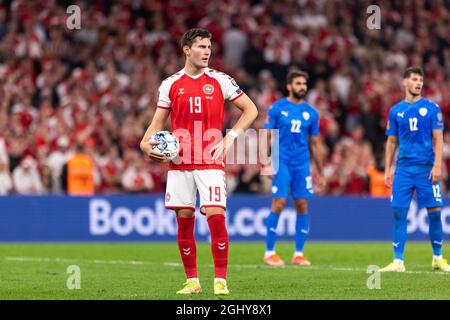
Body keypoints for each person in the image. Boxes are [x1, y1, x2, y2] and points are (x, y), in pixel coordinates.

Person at [140, 28, 258, 295]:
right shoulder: (170, 84)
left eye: (209, 47)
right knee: (184, 219)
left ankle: (220, 281)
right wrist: (144, 144)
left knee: (216, 216)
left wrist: (229, 139)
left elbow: (251, 109)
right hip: (180, 163)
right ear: (187, 50)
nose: (207, 52)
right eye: (202, 47)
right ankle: (192, 281)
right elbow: (156, 125)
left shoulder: (221, 81)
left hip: (210, 162)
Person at [381, 67, 450, 272]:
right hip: (403, 168)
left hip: (426, 168)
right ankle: (398, 262)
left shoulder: (431, 108)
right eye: (414, 79)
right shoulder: (395, 111)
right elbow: (391, 142)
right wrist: (387, 169)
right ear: (405, 82)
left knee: (435, 212)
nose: (418, 83)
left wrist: (438, 165)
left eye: (420, 79)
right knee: (398, 212)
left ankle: (438, 258)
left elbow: (438, 139)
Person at [261, 70, 326, 267]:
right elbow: (267, 136)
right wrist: (265, 162)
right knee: (279, 202)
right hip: (281, 162)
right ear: (289, 86)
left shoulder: (311, 113)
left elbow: (315, 143)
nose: (302, 87)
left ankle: (298, 253)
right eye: (298, 83)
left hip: (302, 164)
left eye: (304, 84)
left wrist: (320, 172)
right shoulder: (277, 108)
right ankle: (269, 252)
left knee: (302, 205)